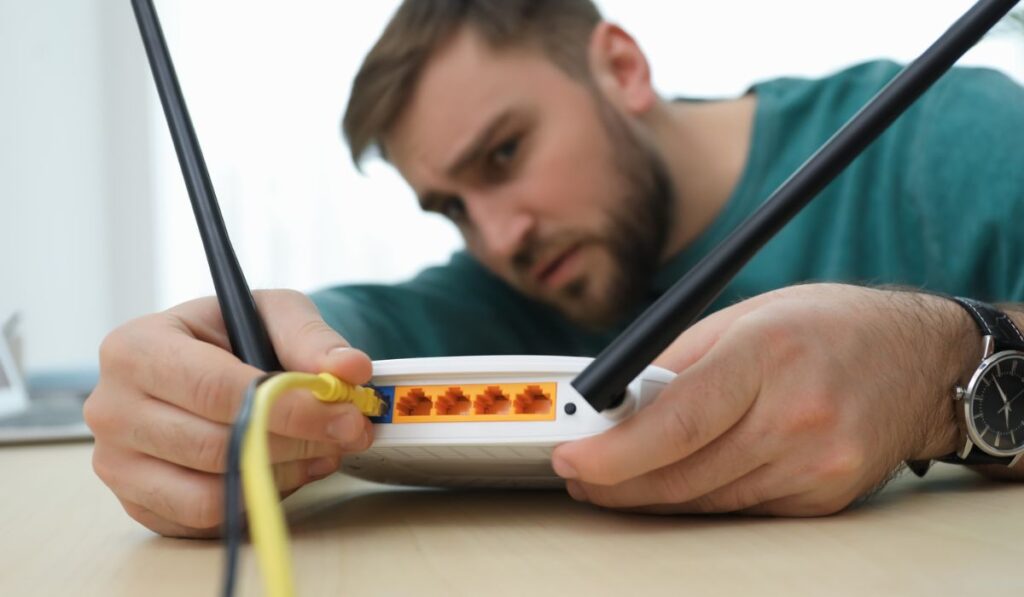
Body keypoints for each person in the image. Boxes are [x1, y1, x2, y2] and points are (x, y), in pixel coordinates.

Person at [84, 0, 1024, 538]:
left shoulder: (954, 138)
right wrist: (207, 376)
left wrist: (940, 372)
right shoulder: (506, 293)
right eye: (450, 206)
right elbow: (327, 341)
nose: (497, 235)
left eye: (502, 155)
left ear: (619, 66)